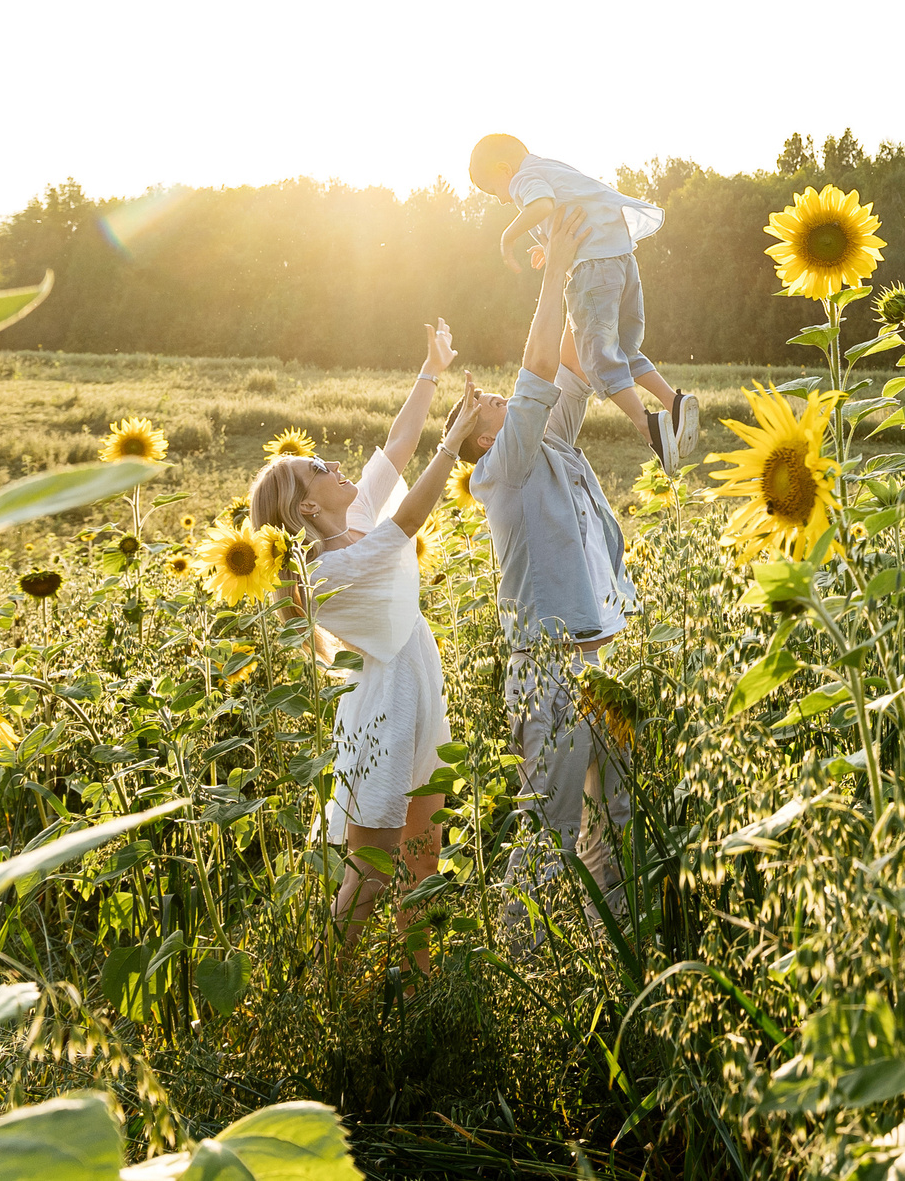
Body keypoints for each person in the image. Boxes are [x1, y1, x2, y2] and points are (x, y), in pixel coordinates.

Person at [247, 319, 478, 942]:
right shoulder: (327, 570)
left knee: (423, 866)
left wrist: (431, 366)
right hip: (381, 717)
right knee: (369, 877)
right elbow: (409, 519)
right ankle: (337, 1000)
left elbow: (399, 444)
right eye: (320, 465)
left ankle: (419, 992)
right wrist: (453, 441)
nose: (338, 462)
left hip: (420, 695)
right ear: (306, 508)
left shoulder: (354, 522)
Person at [441, 209, 638, 930]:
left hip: (599, 655)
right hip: (550, 670)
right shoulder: (501, 467)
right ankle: (517, 964)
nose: (498, 395)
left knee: (618, 821)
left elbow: (572, 363)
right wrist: (552, 264)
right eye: (488, 403)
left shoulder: (548, 442)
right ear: (482, 436)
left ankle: (606, 959)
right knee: (547, 835)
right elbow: (535, 371)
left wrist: (591, 264)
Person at [467, 131, 699, 476]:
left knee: (597, 356)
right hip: (621, 260)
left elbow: (542, 205)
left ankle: (647, 426)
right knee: (622, 347)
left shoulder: (523, 178)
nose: (501, 200)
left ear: (504, 169)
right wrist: (548, 248)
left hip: (592, 271)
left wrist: (508, 236)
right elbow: (576, 209)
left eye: (493, 190)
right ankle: (674, 402)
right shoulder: (550, 168)